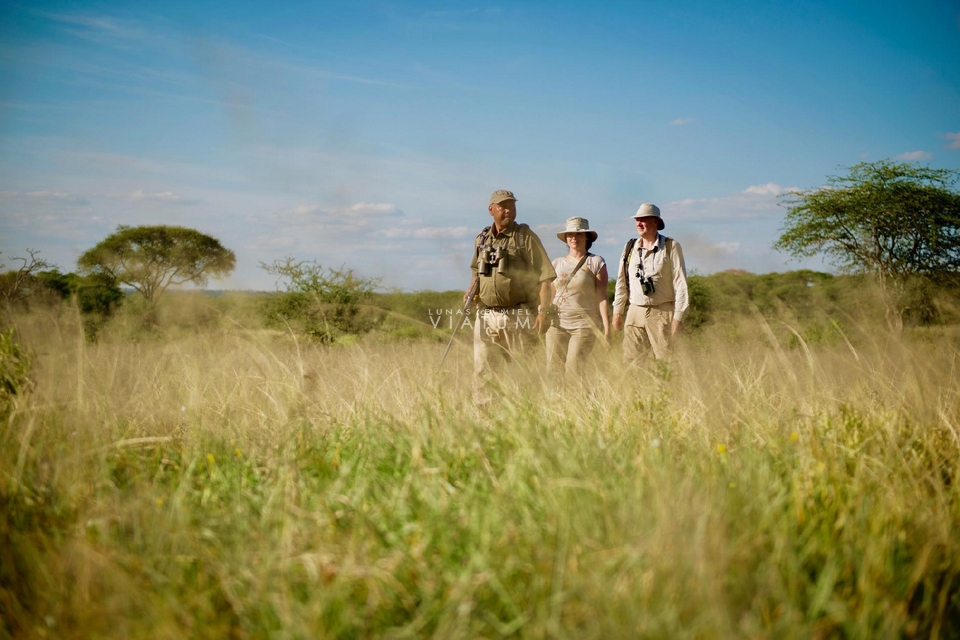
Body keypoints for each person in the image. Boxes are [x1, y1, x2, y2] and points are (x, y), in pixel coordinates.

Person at [465, 189, 556, 404]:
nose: (509, 210)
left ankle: (524, 411)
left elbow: (546, 277)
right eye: (503, 206)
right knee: (483, 368)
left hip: (518, 314)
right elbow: (475, 273)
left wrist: (543, 311)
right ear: (491, 210)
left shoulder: (524, 236)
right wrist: (470, 293)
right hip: (486, 314)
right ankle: (484, 413)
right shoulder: (482, 238)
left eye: (512, 206)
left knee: (521, 366)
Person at [611, 203, 689, 362]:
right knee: (631, 362)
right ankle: (634, 388)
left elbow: (680, 283)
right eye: (637, 220)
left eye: (643, 219)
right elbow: (621, 281)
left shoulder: (670, 246)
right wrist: (617, 312)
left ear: (655, 222)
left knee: (666, 362)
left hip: (662, 312)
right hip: (634, 311)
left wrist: (679, 317)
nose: (639, 223)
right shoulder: (629, 247)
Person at [545, 217, 610, 379]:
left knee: (574, 368)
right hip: (557, 323)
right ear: (566, 239)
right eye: (570, 234)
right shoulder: (557, 263)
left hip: (584, 324)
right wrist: (542, 312)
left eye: (579, 234)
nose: (574, 238)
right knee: (553, 368)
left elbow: (602, 296)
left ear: (587, 237)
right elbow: (550, 294)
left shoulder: (596, 262)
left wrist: (606, 328)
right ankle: (557, 402)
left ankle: (577, 401)